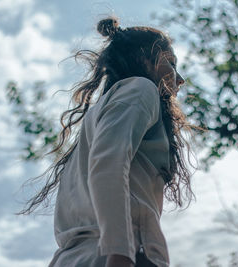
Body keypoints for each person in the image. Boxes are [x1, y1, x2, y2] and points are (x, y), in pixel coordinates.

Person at [20, 16, 195, 267]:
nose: (179, 79)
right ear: (144, 58)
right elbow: (109, 165)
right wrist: (120, 251)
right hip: (119, 255)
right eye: (170, 62)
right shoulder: (141, 89)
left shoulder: (100, 114)